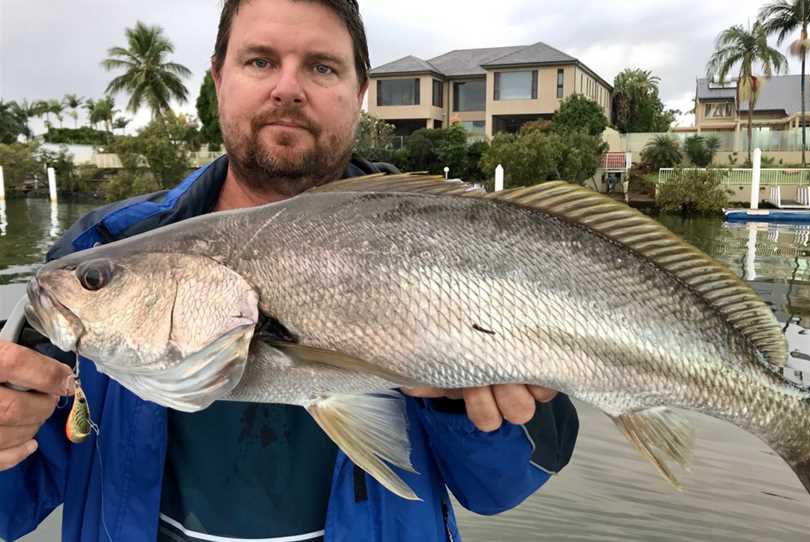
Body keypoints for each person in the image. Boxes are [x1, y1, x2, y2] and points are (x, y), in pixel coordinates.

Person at [0, 1, 579, 540]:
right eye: (260, 61)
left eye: (322, 68)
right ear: (219, 79)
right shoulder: (107, 248)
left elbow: (500, 489)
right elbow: (12, 502)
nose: (287, 89)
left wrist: (466, 406)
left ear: (360, 94)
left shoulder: (459, 241)